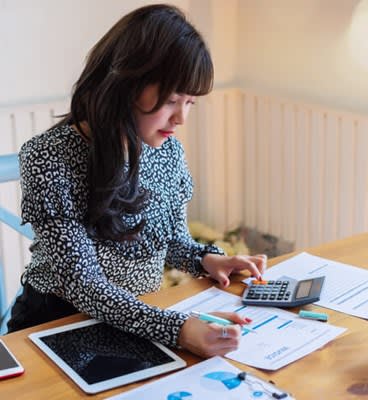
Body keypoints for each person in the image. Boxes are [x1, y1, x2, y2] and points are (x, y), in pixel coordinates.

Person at [7, 4, 266, 358]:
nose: (181, 118)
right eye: (172, 99)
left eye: (190, 102)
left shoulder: (167, 150)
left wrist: (207, 259)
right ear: (124, 84)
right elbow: (85, 287)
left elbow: (169, 240)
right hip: (55, 327)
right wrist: (179, 328)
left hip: (136, 323)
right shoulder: (50, 156)